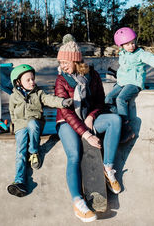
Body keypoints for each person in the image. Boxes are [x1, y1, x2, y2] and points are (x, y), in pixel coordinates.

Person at [55, 39, 122, 222]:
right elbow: (65, 112)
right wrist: (86, 134)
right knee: (74, 155)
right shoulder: (61, 80)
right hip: (67, 122)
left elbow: (100, 101)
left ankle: (108, 168)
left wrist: (92, 116)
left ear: (76, 61)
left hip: (87, 118)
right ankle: (78, 202)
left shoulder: (92, 75)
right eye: (60, 63)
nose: (62, 67)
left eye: (66, 63)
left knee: (114, 121)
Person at [7, 64, 73, 197]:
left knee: (32, 124)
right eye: (28, 80)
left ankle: (34, 152)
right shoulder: (13, 97)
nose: (32, 82)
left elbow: (49, 99)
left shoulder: (38, 93)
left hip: (35, 123)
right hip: (21, 126)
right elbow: (12, 113)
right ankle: (19, 181)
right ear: (18, 83)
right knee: (20, 151)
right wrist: (16, 126)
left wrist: (62, 102)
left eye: (33, 79)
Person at [105, 27, 154, 143]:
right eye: (127, 44)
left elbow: (152, 60)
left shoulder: (140, 54)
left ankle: (127, 130)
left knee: (121, 99)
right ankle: (117, 121)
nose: (131, 46)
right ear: (121, 46)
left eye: (133, 43)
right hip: (122, 82)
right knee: (108, 99)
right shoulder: (123, 53)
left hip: (134, 82)